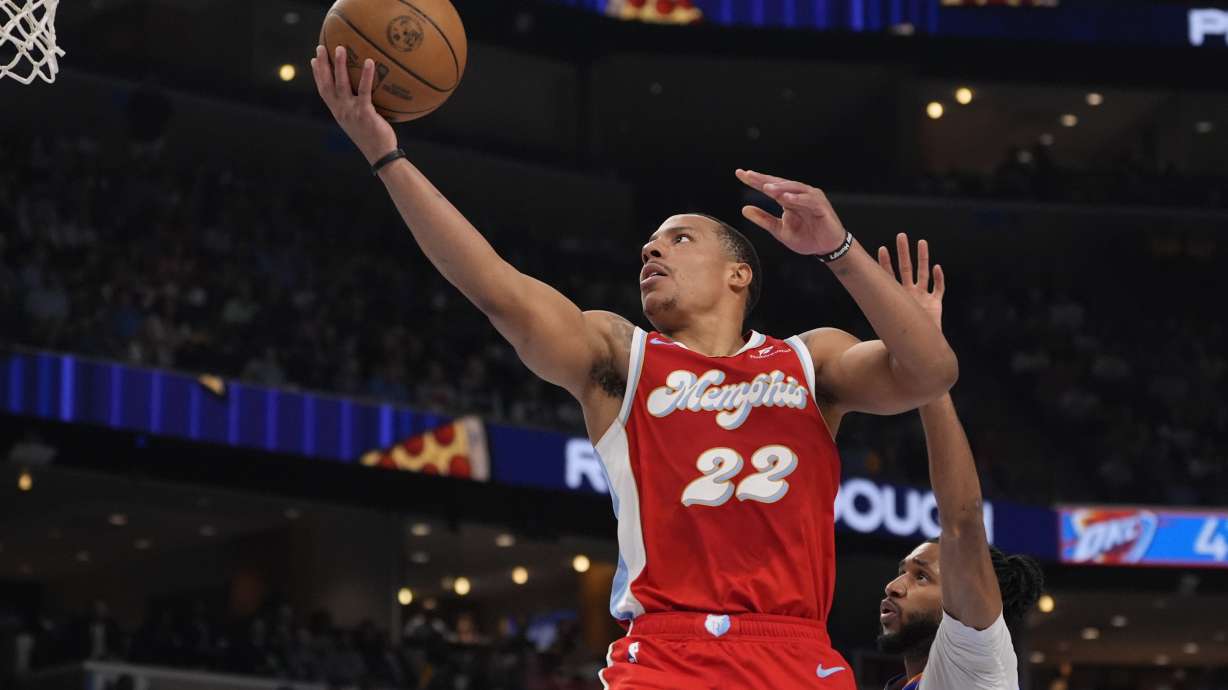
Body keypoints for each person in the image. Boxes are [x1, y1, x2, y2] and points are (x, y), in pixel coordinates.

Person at [310, 47, 959, 689]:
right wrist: (387, 156)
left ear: (739, 273)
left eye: (680, 238)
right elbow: (496, 289)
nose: (652, 247)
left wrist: (838, 250)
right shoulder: (618, 354)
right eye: (650, 241)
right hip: (667, 656)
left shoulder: (809, 359)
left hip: (793, 656)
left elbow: (931, 372)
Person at [872, 240, 1044, 690]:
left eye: (921, 576)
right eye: (904, 570)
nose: (894, 585)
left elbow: (962, 520)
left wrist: (926, 361)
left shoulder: (977, 652)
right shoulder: (920, 681)